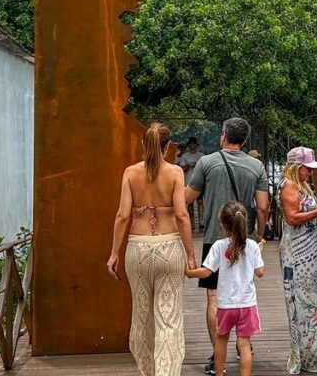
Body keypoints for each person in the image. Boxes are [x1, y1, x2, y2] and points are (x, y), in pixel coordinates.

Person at [106, 123, 196, 376]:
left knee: (142, 316)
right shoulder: (176, 172)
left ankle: (148, 371)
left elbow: (123, 215)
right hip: (169, 246)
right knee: (169, 318)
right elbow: (181, 215)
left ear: (143, 145)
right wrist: (190, 255)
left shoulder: (131, 173)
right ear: (168, 147)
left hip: (138, 248)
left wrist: (114, 253)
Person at [186, 118, 270, 376]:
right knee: (243, 287)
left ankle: (216, 353)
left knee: (214, 298)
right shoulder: (256, 166)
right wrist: (258, 232)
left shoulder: (207, 162)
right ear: (244, 140)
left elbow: (187, 197)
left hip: (215, 236)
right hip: (245, 239)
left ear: (223, 136)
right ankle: (243, 342)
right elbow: (263, 206)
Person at [186, 202, 266, 376]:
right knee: (244, 345)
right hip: (246, 304)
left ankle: (219, 373)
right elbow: (260, 273)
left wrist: (190, 273)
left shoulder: (219, 246)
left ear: (222, 225)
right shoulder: (252, 245)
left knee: (221, 342)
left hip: (225, 305)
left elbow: (206, 271)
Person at [278, 146, 317, 374]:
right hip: (299, 254)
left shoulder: (301, 185)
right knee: (303, 302)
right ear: (295, 167)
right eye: (306, 169)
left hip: (310, 254)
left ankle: (316, 354)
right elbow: (292, 218)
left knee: (313, 301)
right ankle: (306, 355)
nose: (310, 173)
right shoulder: (289, 186)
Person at [178, 137, 205, 230]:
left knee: (200, 201)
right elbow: (181, 169)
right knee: (190, 202)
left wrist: (197, 165)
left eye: (194, 144)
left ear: (196, 145)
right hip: (189, 181)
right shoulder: (184, 156)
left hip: (200, 181)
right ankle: (192, 222)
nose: (192, 145)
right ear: (188, 145)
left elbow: (205, 169)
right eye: (190, 144)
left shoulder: (201, 156)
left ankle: (201, 221)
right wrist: (188, 165)